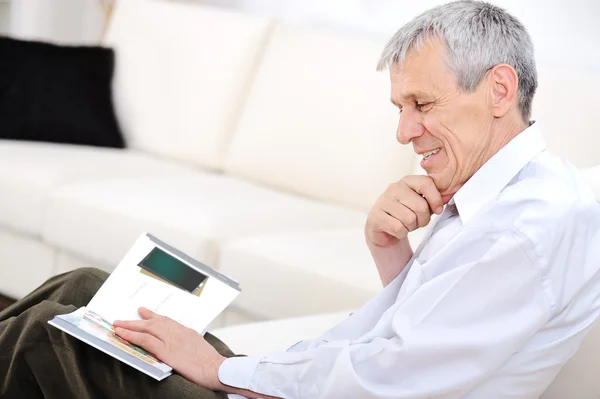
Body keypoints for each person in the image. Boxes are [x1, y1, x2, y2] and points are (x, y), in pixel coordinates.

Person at [2, 1, 600, 398]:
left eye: (423, 104)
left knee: (50, 333)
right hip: (307, 380)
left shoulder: (523, 230)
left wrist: (219, 371)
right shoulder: (508, 195)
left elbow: (390, 377)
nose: (405, 131)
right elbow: (425, 328)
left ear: (499, 89)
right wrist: (389, 248)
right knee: (80, 289)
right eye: (401, 109)